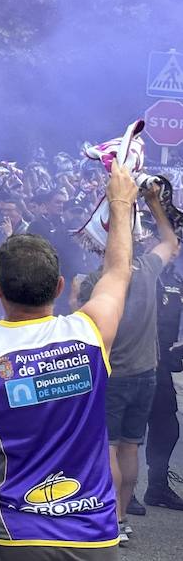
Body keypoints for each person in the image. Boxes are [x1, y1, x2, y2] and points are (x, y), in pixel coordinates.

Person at [0, 159, 139, 559]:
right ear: (60, 287)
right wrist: (120, 204)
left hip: (12, 535)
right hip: (92, 532)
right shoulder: (90, 333)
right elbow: (118, 271)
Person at [76, 181, 180, 533]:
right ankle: (121, 519)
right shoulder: (148, 269)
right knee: (132, 448)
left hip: (113, 375)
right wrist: (154, 203)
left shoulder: (96, 281)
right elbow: (171, 243)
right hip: (146, 373)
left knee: (109, 446)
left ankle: (109, 519)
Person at [144, 254, 183, 508]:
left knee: (167, 426)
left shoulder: (174, 277)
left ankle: (157, 486)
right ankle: (116, 492)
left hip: (163, 362)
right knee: (122, 431)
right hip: (134, 358)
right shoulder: (138, 273)